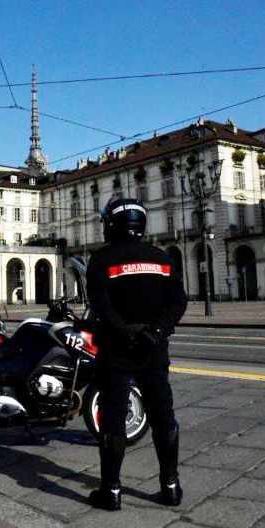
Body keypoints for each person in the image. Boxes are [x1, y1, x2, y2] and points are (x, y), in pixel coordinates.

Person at [85, 197, 188, 511]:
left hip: (117, 347)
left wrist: (124, 330)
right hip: (153, 348)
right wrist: (155, 332)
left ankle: (111, 491)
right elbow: (178, 302)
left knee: (113, 417)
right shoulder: (163, 259)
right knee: (162, 415)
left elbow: (100, 305)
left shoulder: (101, 259)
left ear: (113, 224)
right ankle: (170, 487)